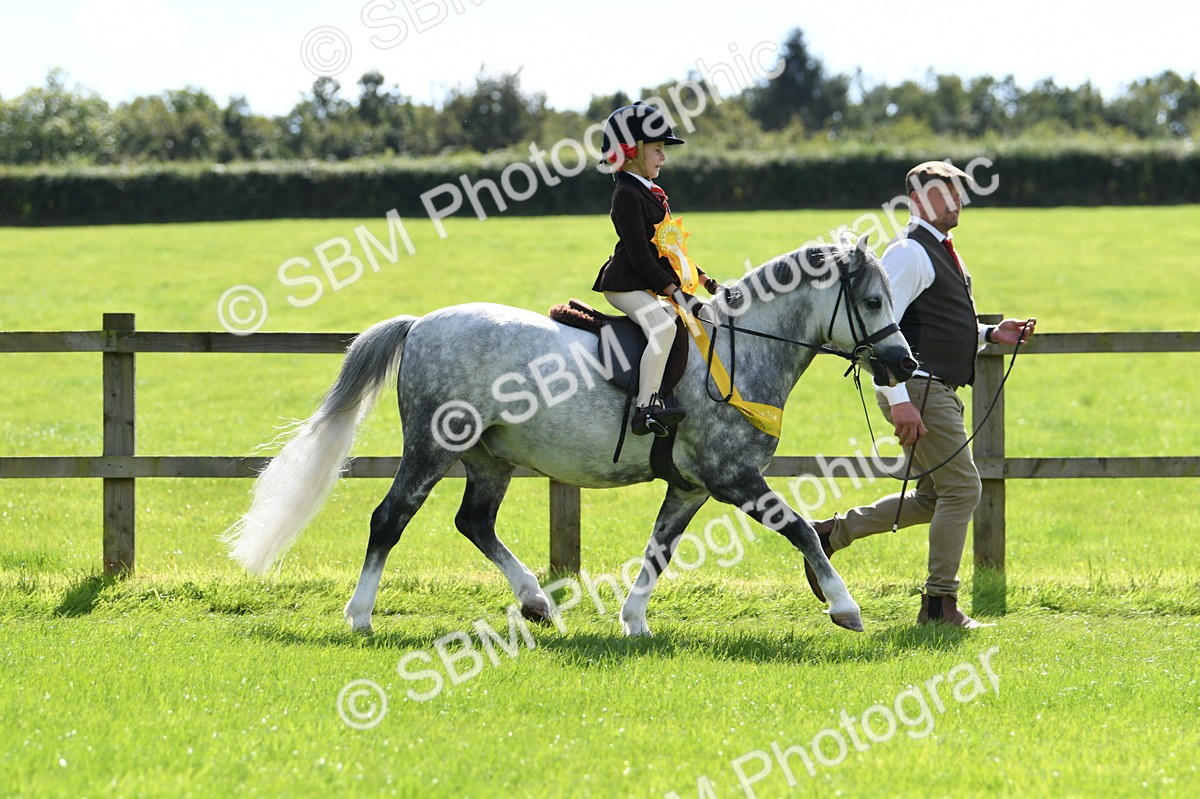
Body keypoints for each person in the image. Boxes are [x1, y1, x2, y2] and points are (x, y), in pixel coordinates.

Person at [805, 160, 1036, 628]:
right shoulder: (909, 252)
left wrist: (990, 334)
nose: (955, 201)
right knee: (965, 489)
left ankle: (829, 534)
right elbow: (877, 332)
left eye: (958, 192)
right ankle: (938, 606)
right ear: (916, 199)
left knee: (935, 497)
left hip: (932, 387)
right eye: (943, 192)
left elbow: (932, 326)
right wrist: (898, 400)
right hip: (918, 387)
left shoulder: (941, 250)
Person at [592, 102, 723, 437]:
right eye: (658, 149)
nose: (663, 157)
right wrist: (675, 293)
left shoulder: (652, 193)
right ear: (633, 151)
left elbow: (670, 250)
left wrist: (704, 278)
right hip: (625, 283)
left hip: (646, 280)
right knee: (664, 324)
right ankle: (646, 406)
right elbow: (640, 256)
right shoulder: (626, 194)